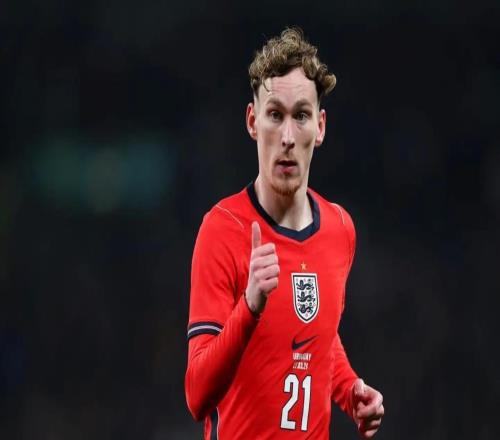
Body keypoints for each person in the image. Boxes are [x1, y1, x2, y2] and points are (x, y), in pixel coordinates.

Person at [185, 27, 384, 439]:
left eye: (301, 115)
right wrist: (249, 307)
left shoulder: (340, 229)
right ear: (253, 121)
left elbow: (317, 334)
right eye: (275, 115)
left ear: (320, 127)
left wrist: (350, 390)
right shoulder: (222, 230)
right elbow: (197, 395)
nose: (288, 137)